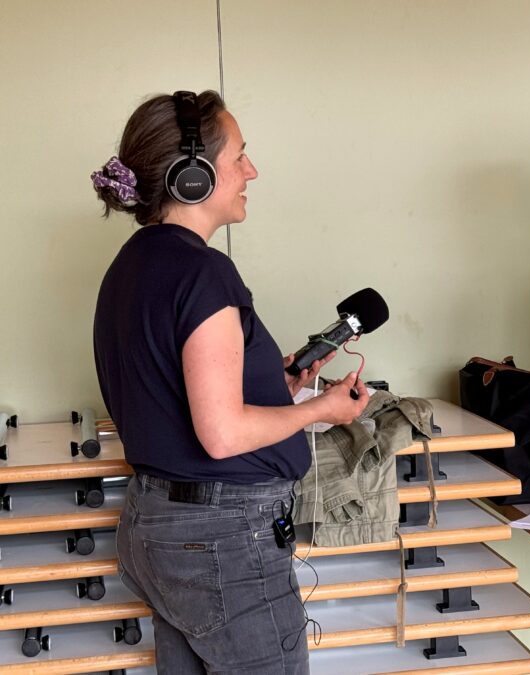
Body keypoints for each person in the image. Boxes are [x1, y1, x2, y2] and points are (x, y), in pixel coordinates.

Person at [91, 90, 369, 674]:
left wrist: (284, 385)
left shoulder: (130, 267)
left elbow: (173, 400)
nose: (252, 171)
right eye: (240, 156)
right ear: (193, 175)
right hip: (220, 544)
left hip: (159, 532)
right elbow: (219, 434)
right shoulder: (203, 272)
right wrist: (321, 412)